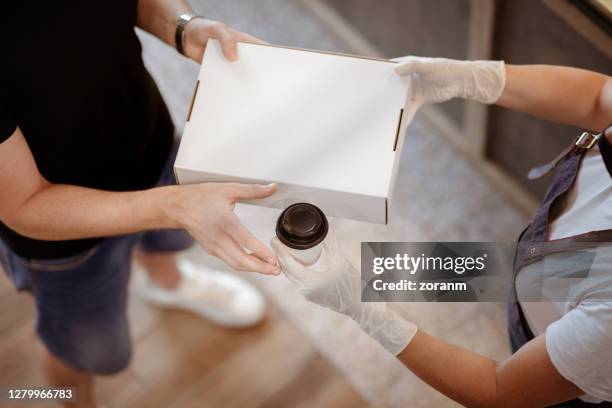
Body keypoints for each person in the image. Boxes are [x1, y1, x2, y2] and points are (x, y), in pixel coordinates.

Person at [272, 59, 612, 407]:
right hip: (551, 268)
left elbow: (498, 388)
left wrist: (366, 312)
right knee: (396, 271)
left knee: (372, 280)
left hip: (563, 376)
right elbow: (600, 98)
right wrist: (476, 78)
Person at [0, 1, 281, 407]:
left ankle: (168, 284)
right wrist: (174, 206)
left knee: (165, 245)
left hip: (148, 138)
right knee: (88, 352)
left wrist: (186, 27)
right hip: (63, 235)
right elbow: (24, 203)